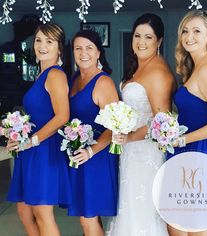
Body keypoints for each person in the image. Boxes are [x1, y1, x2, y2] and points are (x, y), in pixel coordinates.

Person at [106, 13, 175, 235]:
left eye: (148, 37)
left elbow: (161, 123)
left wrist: (129, 137)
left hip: (145, 152)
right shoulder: (139, 66)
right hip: (130, 151)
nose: (141, 42)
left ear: (159, 41)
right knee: (131, 208)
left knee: (143, 208)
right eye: (137, 35)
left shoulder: (158, 71)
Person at [167, 10, 207, 236]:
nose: (189, 36)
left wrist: (181, 139)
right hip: (186, 153)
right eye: (185, 31)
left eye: (196, 31)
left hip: (201, 155)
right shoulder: (196, 67)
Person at [7, 23, 71, 236]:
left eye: (49, 41)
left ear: (59, 48)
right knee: (25, 210)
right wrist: (15, 134)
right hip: (31, 150)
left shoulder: (55, 75)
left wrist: (31, 140)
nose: (42, 45)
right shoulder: (40, 75)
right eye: (38, 40)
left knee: (42, 214)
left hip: (44, 150)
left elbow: (62, 116)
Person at [68, 30, 119, 236]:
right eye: (78, 48)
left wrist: (90, 151)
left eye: (89, 48)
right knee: (87, 218)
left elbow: (114, 126)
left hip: (95, 157)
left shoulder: (103, 82)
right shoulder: (74, 79)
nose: (83, 53)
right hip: (79, 156)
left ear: (98, 52)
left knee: (87, 219)